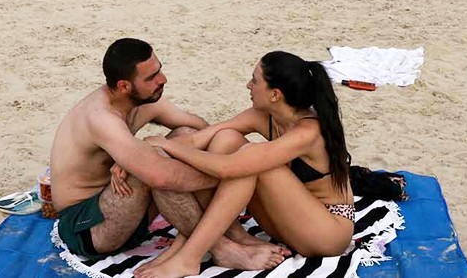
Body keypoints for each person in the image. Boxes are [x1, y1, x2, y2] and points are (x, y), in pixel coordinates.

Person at [50, 39, 286, 270]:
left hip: (128, 210)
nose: (163, 80)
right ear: (124, 86)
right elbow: (161, 176)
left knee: (182, 138)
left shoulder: (144, 100)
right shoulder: (100, 117)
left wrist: (155, 147)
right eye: (151, 77)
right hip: (88, 226)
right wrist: (232, 176)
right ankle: (221, 248)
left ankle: (231, 234)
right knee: (159, 170)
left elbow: (200, 130)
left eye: (159, 70)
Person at [132, 51, 354, 278]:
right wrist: (147, 151)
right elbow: (200, 138)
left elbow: (226, 168)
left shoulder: (308, 132)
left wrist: (170, 147)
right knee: (225, 138)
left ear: (275, 94)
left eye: (254, 80)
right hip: (286, 222)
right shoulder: (263, 116)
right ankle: (232, 238)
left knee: (250, 159)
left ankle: (189, 257)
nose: (248, 85)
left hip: (327, 231)